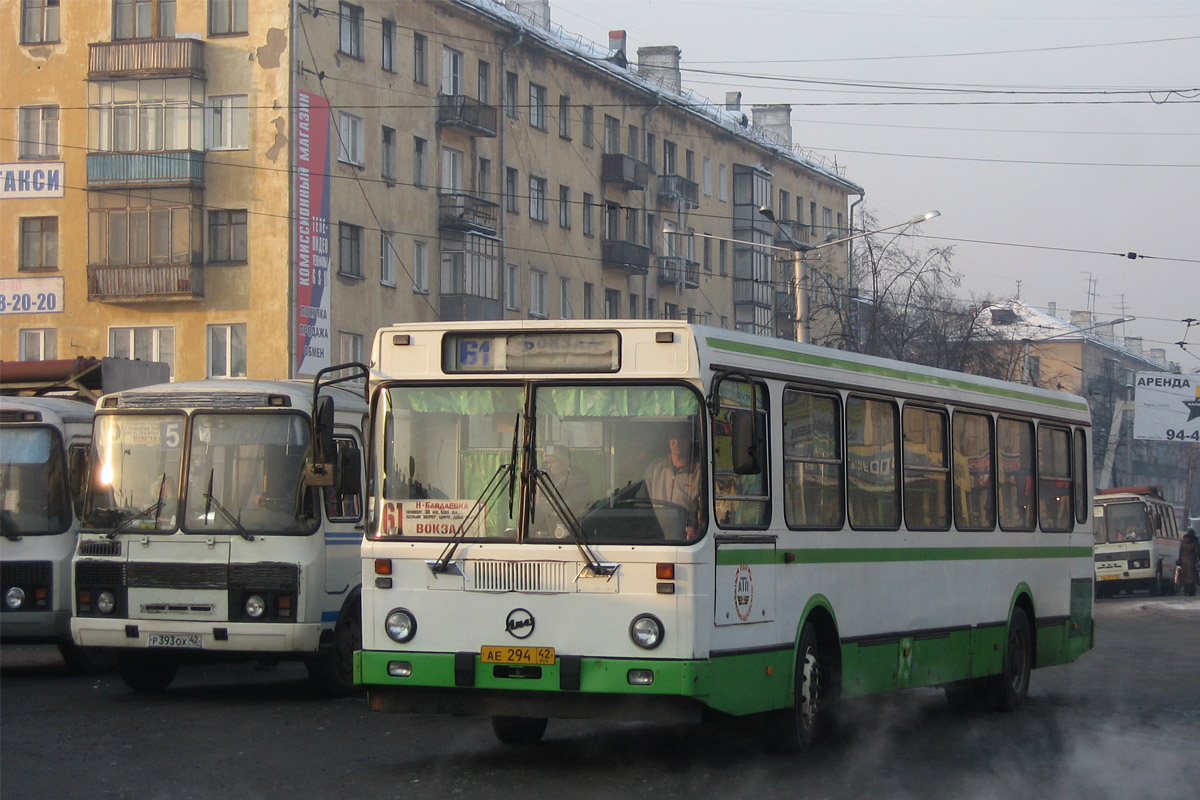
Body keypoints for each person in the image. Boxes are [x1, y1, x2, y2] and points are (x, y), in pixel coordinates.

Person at [642, 421, 702, 538]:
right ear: (668, 440)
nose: (677, 442)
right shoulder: (655, 468)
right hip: (655, 536)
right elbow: (643, 502)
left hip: (687, 540)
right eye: (673, 437)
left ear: (690, 439)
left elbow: (703, 513)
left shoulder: (698, 472)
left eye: (681, 437)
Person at [534, 444, 593, 537]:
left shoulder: (580, 481)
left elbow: (578, 504)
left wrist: (555, 505)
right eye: (545, 463)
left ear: (564, 463)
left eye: (552, 462)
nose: (547, 466)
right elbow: (536, 509)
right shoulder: (544, 481)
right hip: (545, 531)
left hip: (574, 530)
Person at [1176, 529, 1199, 598]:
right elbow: (1197, 552)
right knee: (1192, 577)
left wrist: (1180, 560)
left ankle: (1186, 592)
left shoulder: (1182, 542)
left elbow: (1180, 552)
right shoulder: (1195, 542)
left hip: (1183, 561)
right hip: (1192, 561)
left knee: (1185, 577)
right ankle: (1191, 591)